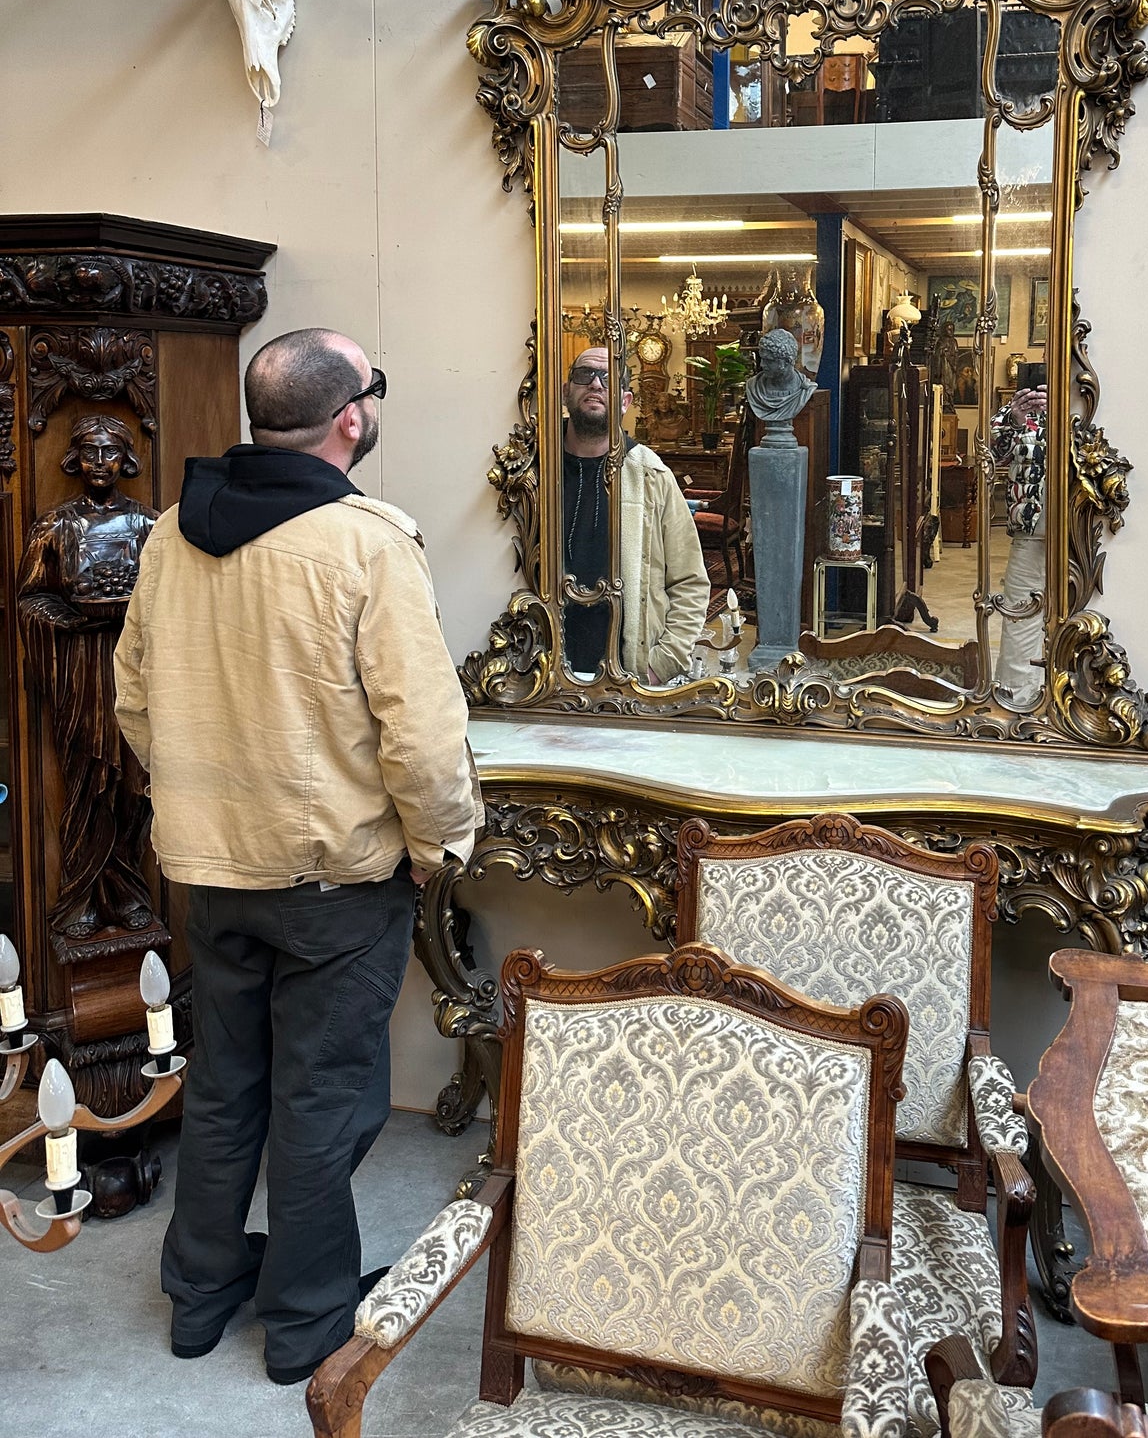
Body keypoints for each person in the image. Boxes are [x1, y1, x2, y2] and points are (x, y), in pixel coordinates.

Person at [113, 327, 477, 1386]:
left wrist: (199, 802)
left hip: (209, 869)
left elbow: (134, 699)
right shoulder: (368, 543)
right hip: (334, 879)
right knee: (324, 1101)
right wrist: (437, 847)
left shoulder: (175, 532)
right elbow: (420, 730)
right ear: (351, 417)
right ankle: (309, 1320)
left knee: (225, 1087)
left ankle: (199, 1297)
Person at [18, 413, 157, 941]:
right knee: (85, 779)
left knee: (131, 782)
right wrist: (68, 617)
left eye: (110, 452)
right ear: (74, 459)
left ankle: (128, 892)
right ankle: (81, 896)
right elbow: (31, 596)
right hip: (78, 665)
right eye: (91, 452)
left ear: (126, 458)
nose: (101, 463)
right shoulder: (54, 526)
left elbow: (170, 596)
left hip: (131, 664)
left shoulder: (149, 525)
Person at [562, 344, 708, 683]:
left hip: (628, 675)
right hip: (545, 669)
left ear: (625, 401)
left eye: (608, 378)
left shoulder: (651, 476)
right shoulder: (535, 471)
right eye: (585, 375)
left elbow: (690, 581)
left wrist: (660, 665)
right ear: (567, 391)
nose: (596, 384)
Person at [991, 383, 1047, 706]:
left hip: (1078, 534)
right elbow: (993, 451)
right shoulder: (1023, 409)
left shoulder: (1087, 404)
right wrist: (1014, 417)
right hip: (1030, 528)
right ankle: (1015, 703)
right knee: (1019, 616)